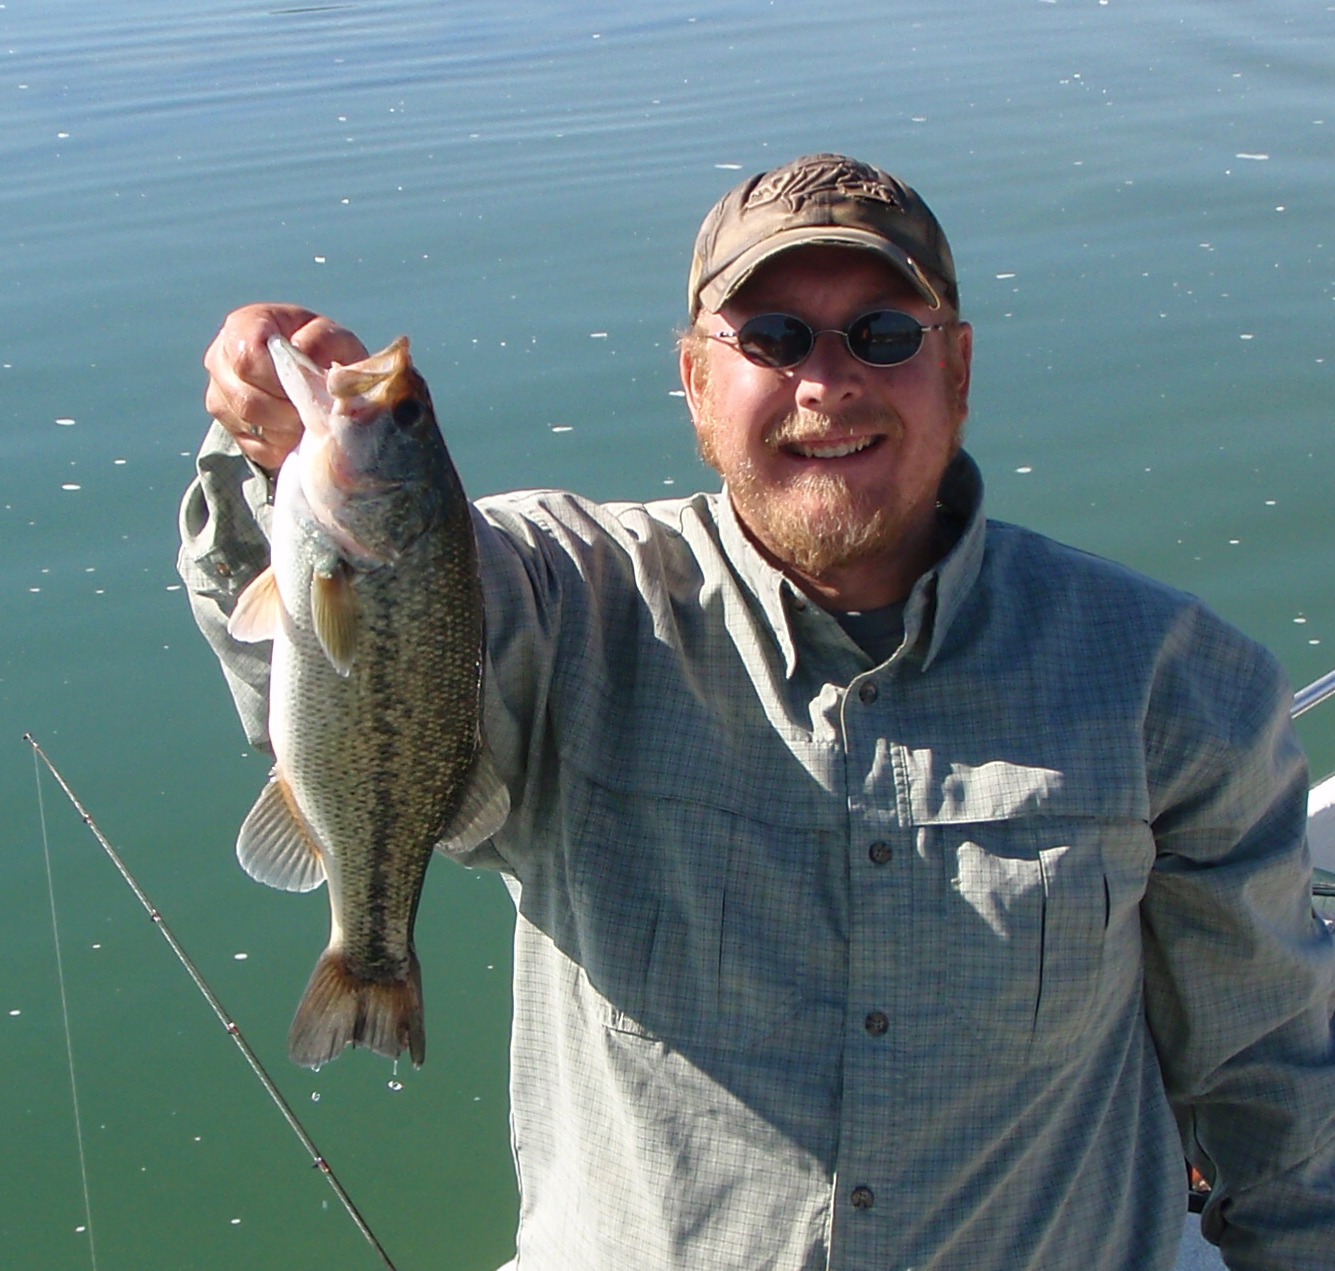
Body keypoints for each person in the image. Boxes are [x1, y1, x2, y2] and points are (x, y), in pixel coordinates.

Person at [180, 153, 1335, 1270]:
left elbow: (1279, 1084)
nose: (827, 382)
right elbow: (342, 645)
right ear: (695, 380)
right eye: (774, 338)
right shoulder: (564, 599)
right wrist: (268, 440)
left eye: (883, 334)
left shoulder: (1173, 685)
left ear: (959, 368)